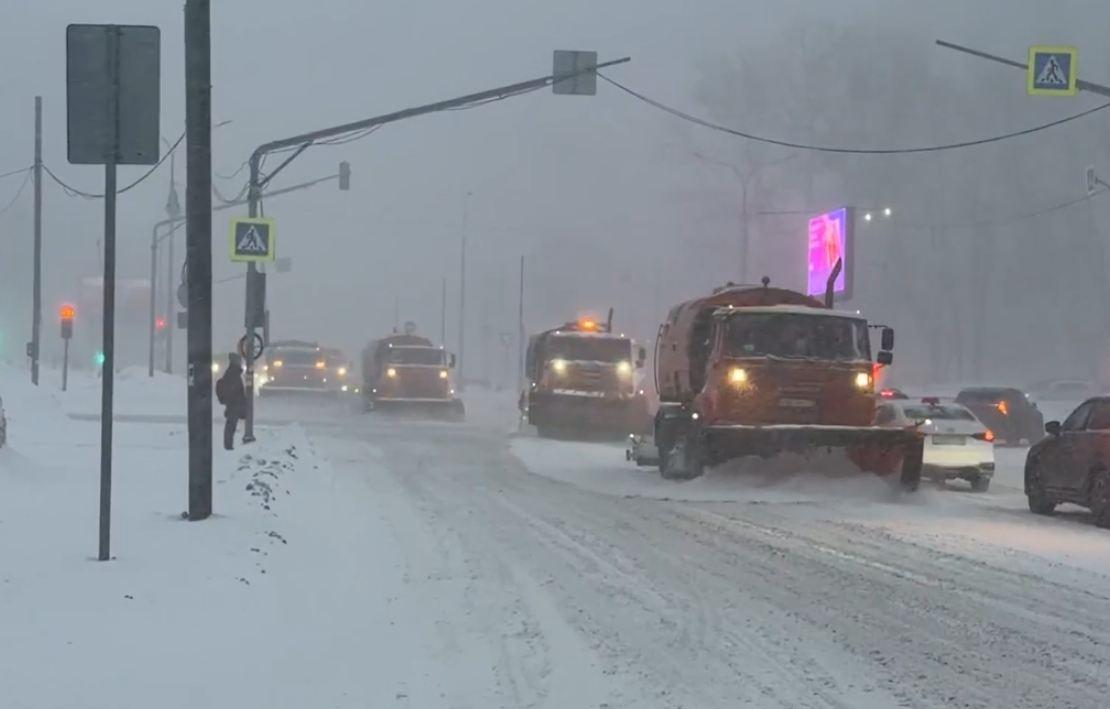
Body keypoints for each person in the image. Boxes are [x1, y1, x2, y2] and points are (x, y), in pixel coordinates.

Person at [216, 353, 246, 450]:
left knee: (231, 425)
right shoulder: (233, 373)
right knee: (231, 425)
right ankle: (228, 446)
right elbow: (234, 390)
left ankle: (228, 445)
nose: (241, 363)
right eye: (239, 361)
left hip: (233, 404)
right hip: (234, 404)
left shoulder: (232, 372)